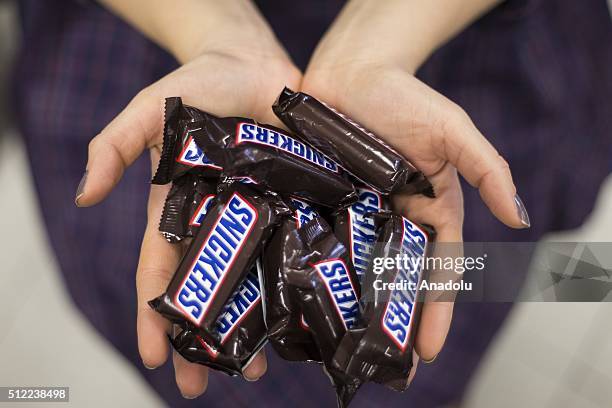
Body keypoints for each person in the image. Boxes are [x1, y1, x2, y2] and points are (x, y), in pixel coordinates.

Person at [13, 0, 611, 406]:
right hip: (161, 37)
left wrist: (377, 35)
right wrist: (216, 32)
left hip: (462, 50)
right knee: (186, 350)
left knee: (472, 277)